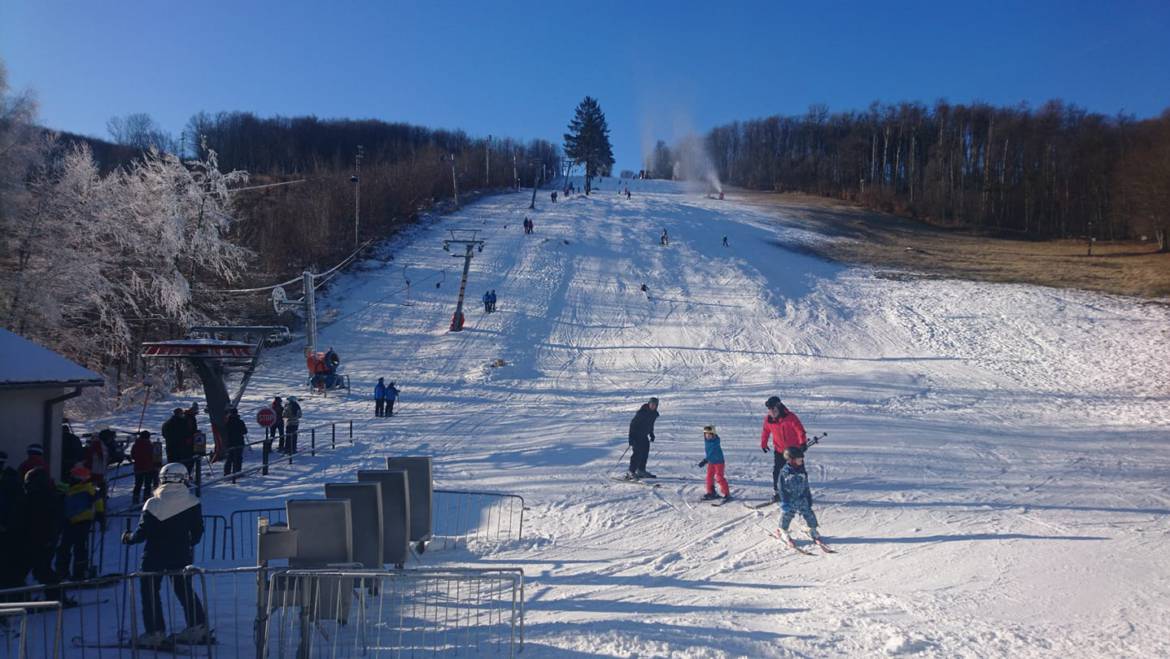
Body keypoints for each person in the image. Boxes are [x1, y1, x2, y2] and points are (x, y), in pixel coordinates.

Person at [122, 463, 209, 647]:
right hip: (180, 554)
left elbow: (142, 533)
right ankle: (198, 627)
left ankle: (155, 632)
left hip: (154, 555)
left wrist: (128, 538)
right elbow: (198, 531)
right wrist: (188, 543)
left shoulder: (153, 503)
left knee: (150, 592)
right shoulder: (192, 502)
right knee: (184, 589)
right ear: (184, 478)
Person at [21, 467, 66, 599]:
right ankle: (21, 597)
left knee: (42, 569)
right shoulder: (38, 496)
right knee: (33, 569)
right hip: (35, 539)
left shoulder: (45, 497)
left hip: (42, 540)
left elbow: (52, 520)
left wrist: (50, 538)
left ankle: (57, 596)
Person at [57, 465, 103, 581]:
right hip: (70, 521)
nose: (70, 478)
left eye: (73, 476)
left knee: (79, 548)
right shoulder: (71, 489)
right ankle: (62, 572)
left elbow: (98, 501)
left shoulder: (88, 489)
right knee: (65, 548)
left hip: (83, 521)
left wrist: (100, 514)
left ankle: (79, 573)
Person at [760, 396, 808, 503]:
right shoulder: (768, 419)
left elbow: (800, 430)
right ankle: (778, 491)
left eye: (774, 410)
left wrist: (802, 443)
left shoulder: (790, 417)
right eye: (770, 410)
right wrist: (763, 443)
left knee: (799, 471)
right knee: (778, 471)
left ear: (779, 407)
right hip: (779, 450)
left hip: (794, 450)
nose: (772, 412)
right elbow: (765, 431)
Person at [776, 446, 822, 545]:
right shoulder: (785, 472)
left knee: (809, 513)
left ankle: (812, 529)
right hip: (790, 499)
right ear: (791, 460)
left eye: (801, 459)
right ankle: (782, 530)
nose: (801, 461)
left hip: (802, 497)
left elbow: (806, 485)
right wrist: (784, 501)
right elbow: (781, 488)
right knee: (787, 515)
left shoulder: (802, 470)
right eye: (799, 459)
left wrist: (808, 497)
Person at [626, 397, 660, 479]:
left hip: (644, 436)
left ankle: (641, 470)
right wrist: (631, 438)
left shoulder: (654, 414)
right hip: (636, 436)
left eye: (654, 405)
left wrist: (651, 434)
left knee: (645, 454)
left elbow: (650, 425)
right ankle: (631, 471)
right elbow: (633, 425)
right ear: (649, 404)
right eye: (651, 404)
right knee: (637, 454)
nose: (653, 406)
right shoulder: (642, 413)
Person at [697, 425, 730, 501]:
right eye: (706, 434)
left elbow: (712, 453)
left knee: (719, 477)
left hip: (719, 462)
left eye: (709, 434)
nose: (707, 436)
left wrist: (705, 460)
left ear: (713, 434)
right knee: (709, 477)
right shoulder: (707, 441)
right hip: (711, 462)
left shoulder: (715, 442)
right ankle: (711, 492)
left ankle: (727, 493)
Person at [131, 431, 159, 504]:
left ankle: (135, 499)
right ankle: (146, 499)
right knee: (147, 485)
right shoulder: (149, 445)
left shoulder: (136, 445)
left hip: (138, 468)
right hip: (148, 468)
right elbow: (153, 456)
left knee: (138, 484)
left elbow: (133, 455)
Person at [222, 408, 247, 478]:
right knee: (238, 458)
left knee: (230, 458)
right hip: (239, 442)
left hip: (230, 443)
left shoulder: (227, 422)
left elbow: (225, 432)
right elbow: (245, 431)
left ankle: (227, 473)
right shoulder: (240, 422)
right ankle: (237, 472)